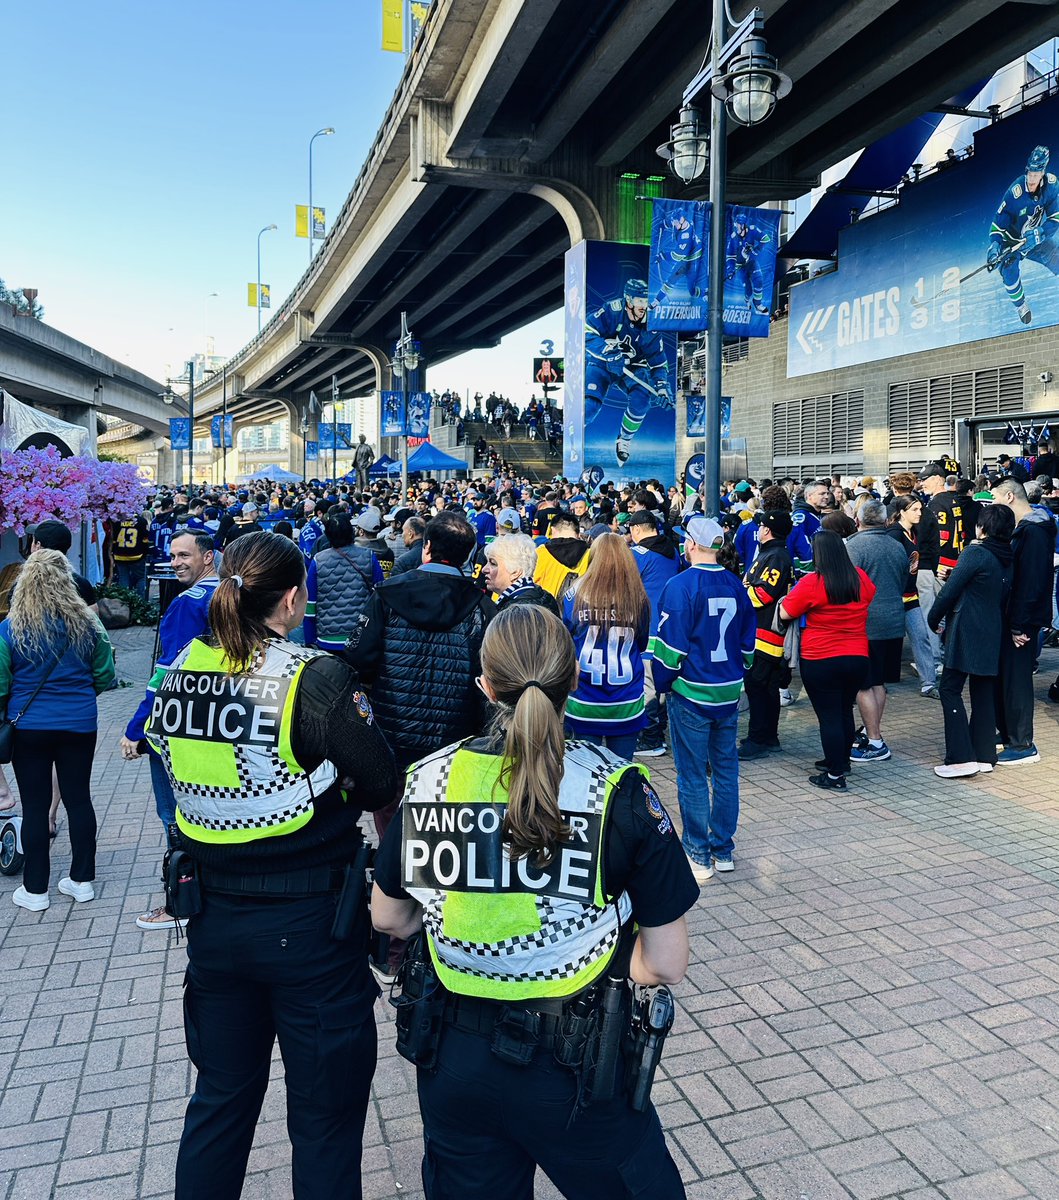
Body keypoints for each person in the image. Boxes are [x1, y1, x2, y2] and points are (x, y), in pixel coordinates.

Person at [370, 604, 697, 1200]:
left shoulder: (426, 780)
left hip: (453, 1057)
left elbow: (388, 916)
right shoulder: (617, 788)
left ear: (485, 684)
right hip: (576, 1065)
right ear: (574, 681)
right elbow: (667, 962)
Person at [145, 531, 398, 1200]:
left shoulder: (176, 674)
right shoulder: (312, 677)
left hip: (213, 926)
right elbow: (377, 780)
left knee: (220, 1100)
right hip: (312, 926)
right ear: (289, 600)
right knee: (323, 1120)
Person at [2, 550, 115, 911]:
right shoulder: (88, 623)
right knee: (78, 797)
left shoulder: (9, 628)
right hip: (80, 722)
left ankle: (35, 890)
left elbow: (1, 684)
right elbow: (106, 675)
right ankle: (81, 881)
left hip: (29, 725)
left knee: (35, 806)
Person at [122, 531, 220, 930]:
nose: (176, 562)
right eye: (173, 555)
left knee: (173, 816)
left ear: (208, 557)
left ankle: (180, 901)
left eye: (185, 555)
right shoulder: (233, 593)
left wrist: (136, 728)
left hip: (177, 726)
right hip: (221, 722)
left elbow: (168, 675)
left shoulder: (187, 604)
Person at [653, 517, 755, 881]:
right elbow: (747, 644)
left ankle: (698, 851)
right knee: (726, 769)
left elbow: (669, 649)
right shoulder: (734, 584)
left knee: (693, 774)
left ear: (691, 545)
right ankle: (723, 848)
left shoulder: (679, 586)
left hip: (691, 690)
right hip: (728, 691)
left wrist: (663, 685)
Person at [779, 531, 873, 789]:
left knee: (829, 717)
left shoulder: (813, 583)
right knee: (844, 710)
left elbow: (786, 612)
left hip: (821, 657)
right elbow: (870, 596)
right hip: (857, 655)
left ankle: (834, 775)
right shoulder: (860, 578)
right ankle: (841, 762)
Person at [928, 504, 1015, 778]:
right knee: (983, 691)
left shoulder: (976, 551)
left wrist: (933, 619)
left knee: (949, 689)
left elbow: (949, 593)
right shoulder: (1008, 556)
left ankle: (960, 758)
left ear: (983, 527)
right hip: (993, 628)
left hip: (966, 628)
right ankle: (984, 754)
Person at [561, 532, 650, 760]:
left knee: (585, 774)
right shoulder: (638, 599)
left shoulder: (574, 596)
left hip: (584, 701)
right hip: (626, 702)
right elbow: (641, 644)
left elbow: (566, 642)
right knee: (621, 774)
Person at [990, 477, 1057, 763]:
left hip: (1023, 620)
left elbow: (1030, 582)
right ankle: (1009, 735)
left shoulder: (1033, 532)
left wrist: (1019, 623)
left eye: (994, 498)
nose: (991, 504)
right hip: (1017, 617)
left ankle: (1022, 743)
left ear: (1008, 497)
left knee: (1016, 680)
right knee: (1007, 678)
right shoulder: (1028, 529)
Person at [845, 501, 909, 763]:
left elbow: (846, 586)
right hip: (893, 620)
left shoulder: (854, 547)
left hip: (866, 623)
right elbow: (904, 580)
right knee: (879, 682)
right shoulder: (897, 546)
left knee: (863, 685)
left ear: (858, 521)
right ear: (885, 521)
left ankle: (875, 740)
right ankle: (874, 733)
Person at [584, 278, 673, 466]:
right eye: (640, 300)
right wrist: (608, 352)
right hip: (602, 363)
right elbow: (586, 331)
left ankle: (623, 440)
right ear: (628, 300)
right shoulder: (612, 310)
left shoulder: (653, 325)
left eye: (646, 300)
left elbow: (658, 363)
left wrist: (663, 387)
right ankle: (572, 431)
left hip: (632, 366)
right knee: (589, 407)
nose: (644, 305)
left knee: (642, 401)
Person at [739, 509, 794, 759]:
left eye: (760, 526)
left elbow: (763, 594)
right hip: (766, 633)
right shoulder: (772, 553)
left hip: (765, 634)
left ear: (767, 530)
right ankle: (768, 737)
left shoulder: (775, 556)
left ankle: (758, 739)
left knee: (758, 687)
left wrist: (739, 596)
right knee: (767, 688)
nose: (758, 530)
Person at [986, 145, 1059, 324]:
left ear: (1042, 173)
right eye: (1030, 174)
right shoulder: (1015, 193)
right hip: (1012, 242)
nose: (1032, 179)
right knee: (1009, 271)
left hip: (1033, 238)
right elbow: (998, 223)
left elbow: (1056, 218)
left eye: (1036, 174)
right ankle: (1021, 305)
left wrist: (1041, 233)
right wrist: (995, 245)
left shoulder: (1051, 186)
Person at [629, 510, 681, 757]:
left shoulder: (639, 554)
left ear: (636, 529)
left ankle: (651, 738)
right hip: (669, 628)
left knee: (647, 685)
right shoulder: (673, 552)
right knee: (662, 685)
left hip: (646, 626)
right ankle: (659, 731)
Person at [885, 495, 940, 699]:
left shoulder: (913, 532)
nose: (919, 513)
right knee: (882, 642)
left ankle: (928, 683)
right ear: (902, 512)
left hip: (910, 595)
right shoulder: (894, 534)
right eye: (915, 509)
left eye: (920, 509)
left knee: (921, 637)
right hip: (893, 597)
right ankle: (874, 683)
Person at [303, 511, 382, 652]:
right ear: (352, 532)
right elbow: (380, 596)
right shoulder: (369, 557)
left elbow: (310, 608)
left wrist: (310, 641)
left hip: (327, 639)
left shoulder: (318, 561)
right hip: (362, 637)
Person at [483, 532, 560, 615]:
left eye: (493, 563)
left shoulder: (517, 613)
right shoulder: (541, 597)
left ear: (515, 572)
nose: (484, 569)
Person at [30, 520, 98, 611]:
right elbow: (93, 620)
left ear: (38, 546)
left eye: (33, 540)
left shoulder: (24, 584)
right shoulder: (81, 584)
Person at [533, 510, 591, 598]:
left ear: (552, 530)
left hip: (547, 608)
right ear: (578, 533)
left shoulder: (541, 553)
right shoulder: (590, 553)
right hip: (578, 607)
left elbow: (534, 583)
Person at [111, 510, 152, 598]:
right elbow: (145, 540)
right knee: (141, 578)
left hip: (120, 555)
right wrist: (145, 554)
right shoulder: (141, 521)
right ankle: (139, 602)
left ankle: (124, 601)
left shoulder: (117, 521)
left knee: (123, 578)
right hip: (137, 555)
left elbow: (113, 540)